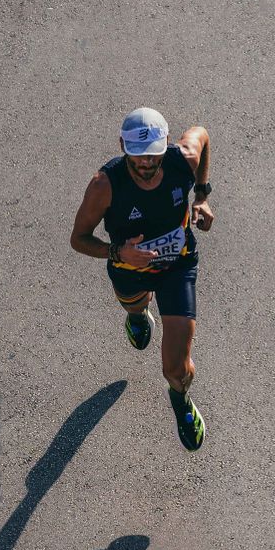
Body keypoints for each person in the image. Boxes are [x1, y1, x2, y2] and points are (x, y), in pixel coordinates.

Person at [69, 106, 215, 451]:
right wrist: (119, 253)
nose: (146, 164)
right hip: (129, 270)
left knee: (176, 368)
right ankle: (137, 315)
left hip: (177, 267)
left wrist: (203, 196)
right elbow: (78, 239)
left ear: (165, 146)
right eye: (138, 157)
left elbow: (202, 134)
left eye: (153, 155)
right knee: (135, 308)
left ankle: (180, 399)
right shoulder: (104, 185)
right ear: (122, 146)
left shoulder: (184, 160)